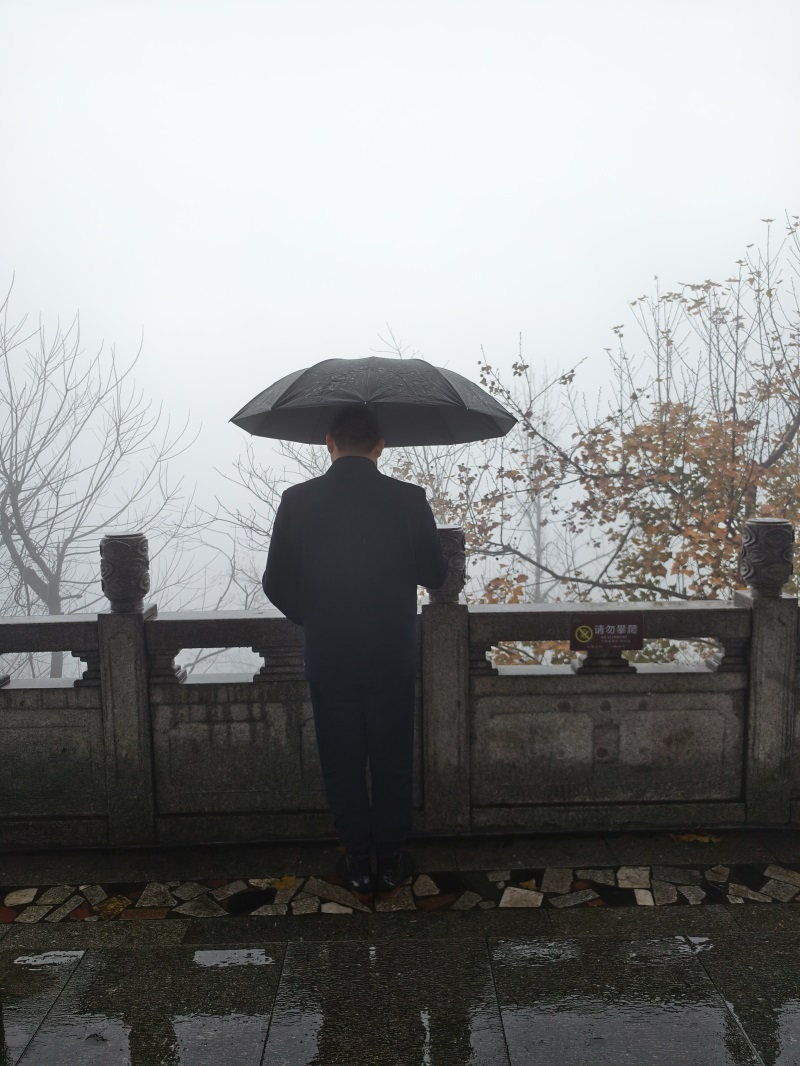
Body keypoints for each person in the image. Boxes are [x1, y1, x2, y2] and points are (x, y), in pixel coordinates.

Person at [263, 406, 448, 900]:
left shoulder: (298, 500)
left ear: (328, 441)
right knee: (392, 757)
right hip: (392, 651)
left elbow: (275, 582)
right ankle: (390, 860)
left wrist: (318, 619)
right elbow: (436, 574)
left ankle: (356, 863)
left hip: (331, 654)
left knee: (341, 759)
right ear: (380, 446)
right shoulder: (409, 500)